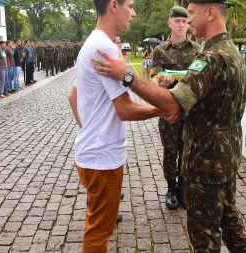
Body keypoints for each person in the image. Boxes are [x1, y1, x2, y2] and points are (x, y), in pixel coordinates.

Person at [92, 0, 246, 252]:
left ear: (210, 13)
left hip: (206, 161)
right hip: (227, 156)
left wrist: (127, 76)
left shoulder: (212, 57)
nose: (188, 21)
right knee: (229, 217)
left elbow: (173, 105)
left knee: (204, 234)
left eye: (192, 14)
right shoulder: (231, 50)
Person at [68, 1, 163, 252]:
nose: (134, 13)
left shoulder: (93, 42)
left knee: (96, 224)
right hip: (103, 159)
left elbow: (73, 97)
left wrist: (90, 130)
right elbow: (125, 109)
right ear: (113, 5)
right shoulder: (105, 48)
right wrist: (163, 109)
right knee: (99, 231)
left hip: (92, 153)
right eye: (130, 6)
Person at [150, 5, 200, 210]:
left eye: (184, 21)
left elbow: (200, 78)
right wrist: (160, 81)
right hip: (169, 109)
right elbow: (154, 76)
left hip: (190, 110)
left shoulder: (197, 50)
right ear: (170, 23)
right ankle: (171, 189)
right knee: (170, 151)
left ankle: (183, 188)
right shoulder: (160, 51)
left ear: (188, 24)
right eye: (177, 21)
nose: (181, 25)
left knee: (187, 151)